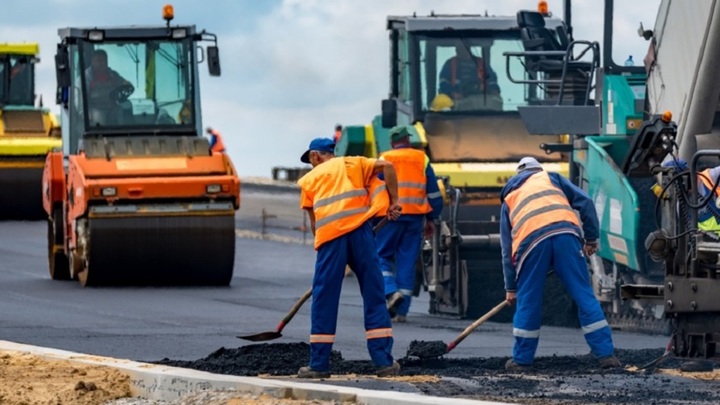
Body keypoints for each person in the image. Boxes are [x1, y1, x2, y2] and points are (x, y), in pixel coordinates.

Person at [500, 157, 621, 370]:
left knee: (528, 299)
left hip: (531, 244)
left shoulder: (510, 196)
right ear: (538, 169)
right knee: (584, 295)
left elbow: (506, 247)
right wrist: (591, 238)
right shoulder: (552, 178)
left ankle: (521, 360)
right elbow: (586, 202)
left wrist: (511, 288)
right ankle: (606, 355)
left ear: (518, 175)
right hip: (566, 235)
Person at [296, 137, 403, 378]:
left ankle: (319, 365)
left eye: (310, 160)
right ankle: (384, 362)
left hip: (331, 239)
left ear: (315, 156)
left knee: (324, 298)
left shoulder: (310, 180)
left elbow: (315, 225)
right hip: (361, 234)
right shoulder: (353, 164)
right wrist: (394, 201)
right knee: (374, 294)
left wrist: (326, 254)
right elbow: (387, 166)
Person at [376, 126, 444, 322]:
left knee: (380, 256)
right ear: (408, 139)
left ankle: (390, 291)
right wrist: (432, 217)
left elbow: (376, 188)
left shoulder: (384, 158)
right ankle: (401, 312)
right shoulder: (421, 158)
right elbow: (433, 194)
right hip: (415, 218)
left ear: (392, 142)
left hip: (389, 217)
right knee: (406, 262)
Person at [438, 44, 502, 110]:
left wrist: (494, 90)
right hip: (457, 102)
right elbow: (443, 83)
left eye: (463, 48)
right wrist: (452, 93)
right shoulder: (450, 64)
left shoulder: (481, 63)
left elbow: (491, 80)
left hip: (480, 99)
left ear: (469, 49)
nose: (459, 51)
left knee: (495, 102)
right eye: (458, 49)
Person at [85, 50, 133, 125]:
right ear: (93, 62)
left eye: (105, 60)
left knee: (126, 107)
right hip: (95, 107)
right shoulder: (86, 77)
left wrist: (127, 84)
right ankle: (99, 135)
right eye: (99, 61)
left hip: (111, 105)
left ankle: (127, 133)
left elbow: (122, 82)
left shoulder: (112, 74)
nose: (103, 63)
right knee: (99, 117)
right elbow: (80, 98)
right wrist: (84, 113)